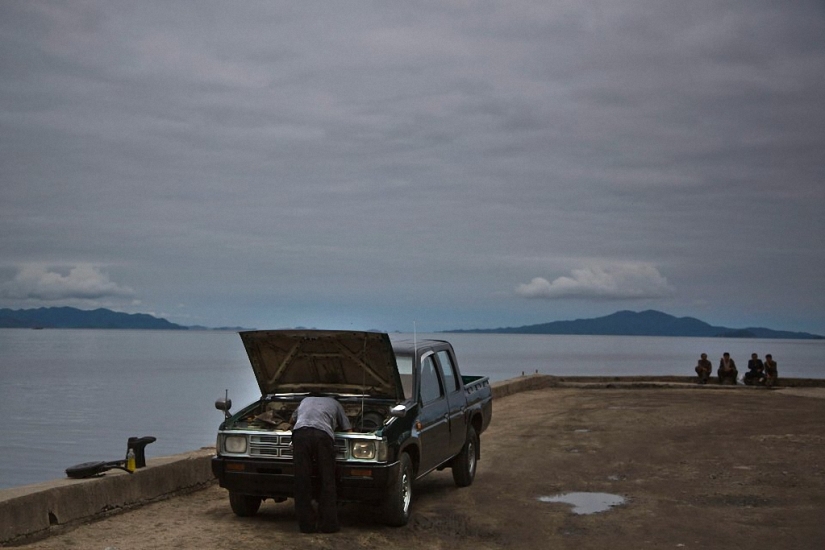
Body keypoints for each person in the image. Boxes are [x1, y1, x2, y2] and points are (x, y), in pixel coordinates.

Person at [289, 396, 352, 533]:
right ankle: (329, 525)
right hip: (322, 435)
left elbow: (292, 420)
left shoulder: (304, 400)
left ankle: (306, 526)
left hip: (300, 434)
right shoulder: (335, 403)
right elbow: (347, 428)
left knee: (302, 480)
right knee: (327, 479)